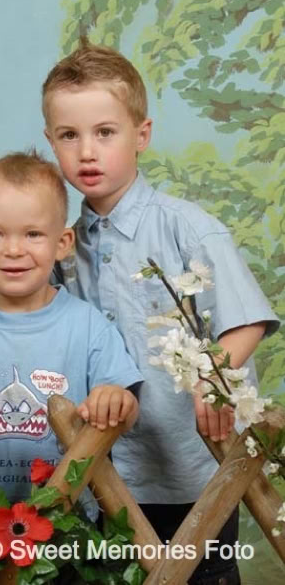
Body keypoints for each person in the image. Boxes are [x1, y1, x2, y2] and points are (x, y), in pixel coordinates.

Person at [42, 40, 279, 585]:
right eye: (69, 135)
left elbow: (246, 319)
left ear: (141, 135)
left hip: (191, 469)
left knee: (202, 576)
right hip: (102, 471)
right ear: (51, 141)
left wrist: (212, 376)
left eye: (105, 132)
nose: (87, 151)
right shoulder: (61, 247)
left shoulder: (187, 229)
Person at [0, 150, 142, 533]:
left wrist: (117, 400)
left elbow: (129, 408)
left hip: (69, 521)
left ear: (63, 242)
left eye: (33, 234)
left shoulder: (87, 324)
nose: (14, 250)